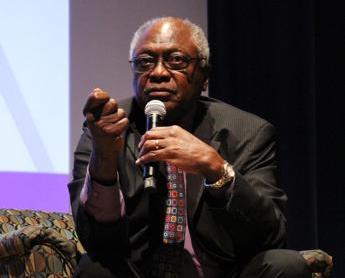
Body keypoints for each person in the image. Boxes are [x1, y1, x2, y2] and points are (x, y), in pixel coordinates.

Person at [68, 17, 312, 277]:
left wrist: (216, 169)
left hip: (219, 272)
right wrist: (104, 155)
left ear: (204, 76)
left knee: (286, 265)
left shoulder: (247, 132)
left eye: (176, 61)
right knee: (94, 269)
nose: (159, 73)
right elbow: (95, 239)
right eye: (145, 62)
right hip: (137, 273)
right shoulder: (106, 126)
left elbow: (271, 234)